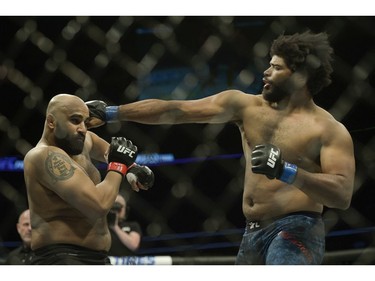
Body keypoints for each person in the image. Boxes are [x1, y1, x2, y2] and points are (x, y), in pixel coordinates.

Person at [86, 31, 356, 265]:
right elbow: (176, 109)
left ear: (299, 76)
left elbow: (341, 195)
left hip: (297, 230)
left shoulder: (328, 129)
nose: (266, 72)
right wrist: (112, 113)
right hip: (252, 231)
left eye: (276, 67)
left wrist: (286, 171)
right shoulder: (246, 106)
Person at [23, 93, 153, 265]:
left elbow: (110, 152)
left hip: (96, 258)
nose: (83, 128)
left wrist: (134, 168)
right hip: (62, 259)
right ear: (52, 122)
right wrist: (119, 166)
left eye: (85, 121)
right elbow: (98, 205)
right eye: (75, 121)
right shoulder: (45, 156)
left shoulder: (82, 142)